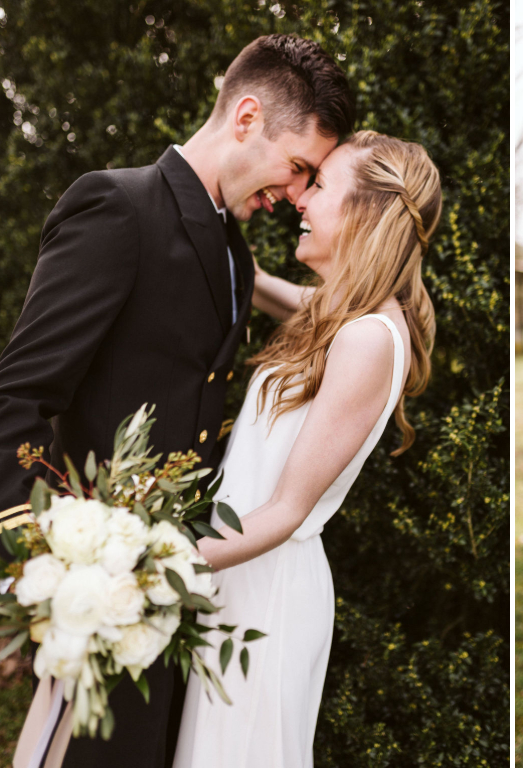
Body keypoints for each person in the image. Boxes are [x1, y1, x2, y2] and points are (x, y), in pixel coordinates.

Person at [0, 34, 352, 768]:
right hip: (104, 589)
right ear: (247, 116)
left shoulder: (235, 249)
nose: (294, 195)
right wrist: (43, 555)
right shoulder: (117, 207)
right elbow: (18, 399)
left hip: (181, 593)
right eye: (297, 168)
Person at [171, 130, 442, 768]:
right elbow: (261, 286)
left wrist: (158, 567)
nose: (300, 198)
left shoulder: (369, 337)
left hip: (267, 589)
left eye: (318, 186)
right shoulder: (340, 313)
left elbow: (288, 508)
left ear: (366, 213)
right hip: (232, 571)